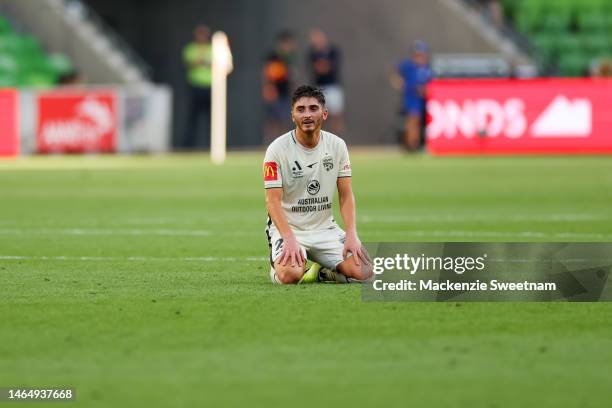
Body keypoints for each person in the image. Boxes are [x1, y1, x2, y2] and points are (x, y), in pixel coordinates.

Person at [263, 85, 372, 284]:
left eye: (313, 108)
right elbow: (272, 202)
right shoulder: (276, 150)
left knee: (366, 273)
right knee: (290, 275)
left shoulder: (337, 146)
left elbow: (346, 195)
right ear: (292, 115)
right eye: (301, 109)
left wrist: (351, 234)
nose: (307, 114)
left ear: (325, 113)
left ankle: (324, 272)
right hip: (289, 228)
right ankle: (278, 269)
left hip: (324, 229)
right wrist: (288, 238)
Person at [391, 40, 432, 151]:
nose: (420, 57)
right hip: (411, 97)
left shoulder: (427, 67)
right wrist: (400, 84)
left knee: (420, 122)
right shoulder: (408, 65)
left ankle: (416, 143)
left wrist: (426, 90)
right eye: (418, 55)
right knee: (413, 120)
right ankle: (412, 144)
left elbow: (431, 82)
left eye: (422, 55)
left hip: (424, 99)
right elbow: (395, 75)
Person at [262, 30, 298, 143]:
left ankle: (282, 144)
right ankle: (269, 143)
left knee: (284, 119)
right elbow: (268, 74)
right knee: (273, 120)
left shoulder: (290, 57)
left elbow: (292, 76)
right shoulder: (273, 57)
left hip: (286, 92)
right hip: (275, 92)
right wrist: (268, 88)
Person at [307, 28, 344, 134]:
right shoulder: (312, 53)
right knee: (320, 116)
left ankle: (337, 138)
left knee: (336, 114)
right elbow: (317, 69)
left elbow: (330, 67)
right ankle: (321, 140)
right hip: (319, 88)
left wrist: (324, 66)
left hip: (333, 87)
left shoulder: (333, 51)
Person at [183, 24, 212, 149]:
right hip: (195, 87)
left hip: (211, 88)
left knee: (212, 120)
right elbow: (192, 63)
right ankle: (188, 147)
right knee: (192, 119)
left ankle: (213, 146)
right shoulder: (190, 48)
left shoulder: (213, 48)